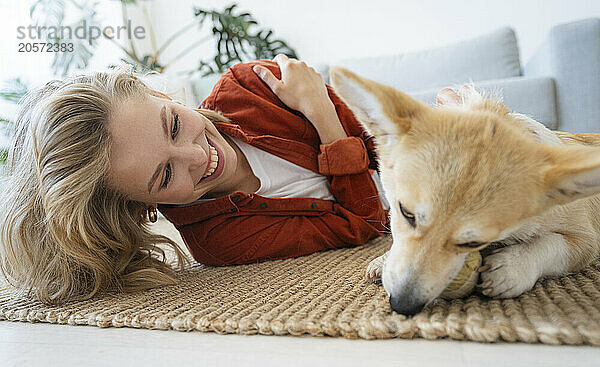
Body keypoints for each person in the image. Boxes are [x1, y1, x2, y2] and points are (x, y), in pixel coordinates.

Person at [0, 54, 390, 305]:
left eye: (172, 125)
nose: (198, 156)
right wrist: (320, 110)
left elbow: (388, 140)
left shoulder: (250, 85)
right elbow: (366, 224)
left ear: (159, 95)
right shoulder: (220, 241)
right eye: (165, 175)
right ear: (142, 205)